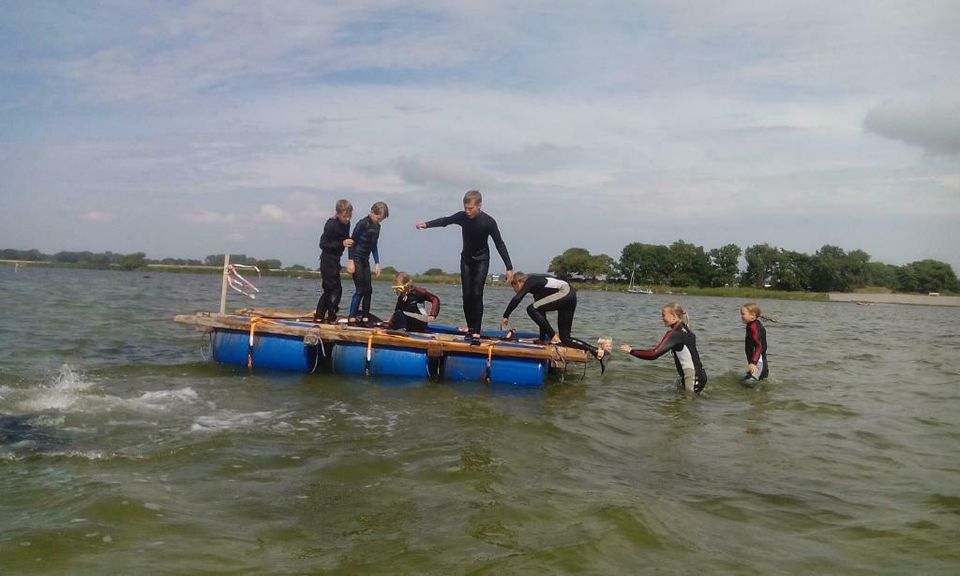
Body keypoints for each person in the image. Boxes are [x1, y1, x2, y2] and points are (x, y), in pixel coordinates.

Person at [416, 190, 513, 336]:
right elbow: (445, 221)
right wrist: (426, 224)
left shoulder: (488, 222)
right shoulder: (462, 217)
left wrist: (509, 267)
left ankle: (477, 332)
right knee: (467, 296)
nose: (467, 211)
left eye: (471, 208)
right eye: (465, 208)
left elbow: (500, 244)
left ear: (479, 205)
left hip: (482, 260)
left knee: (476, 293)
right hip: (466, 260)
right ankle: (471, 328)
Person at [499, 272, 609, 373]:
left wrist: (505, 316)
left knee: (531, 309)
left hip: (565, 292)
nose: (514, 290)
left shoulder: (530, 280)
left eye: (513, 286)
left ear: (518, 282)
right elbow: (541, 315)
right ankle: (598, 352)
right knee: (566, 339)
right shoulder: (538, 290)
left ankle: (554, 337)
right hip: (570, 296)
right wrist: (542, 339)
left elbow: (517, 299)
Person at [618, 302, 707, 393]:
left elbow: (654, 354)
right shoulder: (687, 330)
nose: (662, 318)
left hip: (691, 377)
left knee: (687, 405)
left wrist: (631, 351)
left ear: (674, 316)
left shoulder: (675, 334)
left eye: (664, 315)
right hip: (700, 375)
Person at [347, 201, 389, 325]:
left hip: (365, 259)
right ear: (372, 213)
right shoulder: (362, 224)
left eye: (381, 219)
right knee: (360, 289)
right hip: (356, 258)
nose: (379, 221)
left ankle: (365, 317)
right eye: (378, 218)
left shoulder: (377, 227)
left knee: (369, 290)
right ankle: (352, 317)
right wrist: (350, 261)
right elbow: (351, 242)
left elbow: (374, 245)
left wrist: (377, 262)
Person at [314, 199, 354, 323]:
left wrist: (350, 259)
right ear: (337, 213)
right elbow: (323, 244)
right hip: (327, 259)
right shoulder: (331, 224)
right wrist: (341, 243)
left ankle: (320, 315)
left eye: (349, 216)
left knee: (329, 289)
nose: (347, 219)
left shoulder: (347, 224)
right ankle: (331, 315)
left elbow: (348, 241)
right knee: (335, 289)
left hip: (336, 260)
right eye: (344, 216)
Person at [741, 302, 771, 381]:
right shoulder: (751, 323)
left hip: (759, 363)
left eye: (743, 314)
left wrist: (753, 363)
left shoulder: (754, 328)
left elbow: (759, 346)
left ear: (753, 316)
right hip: (756, 362)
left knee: (749, 384)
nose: (741, 316)